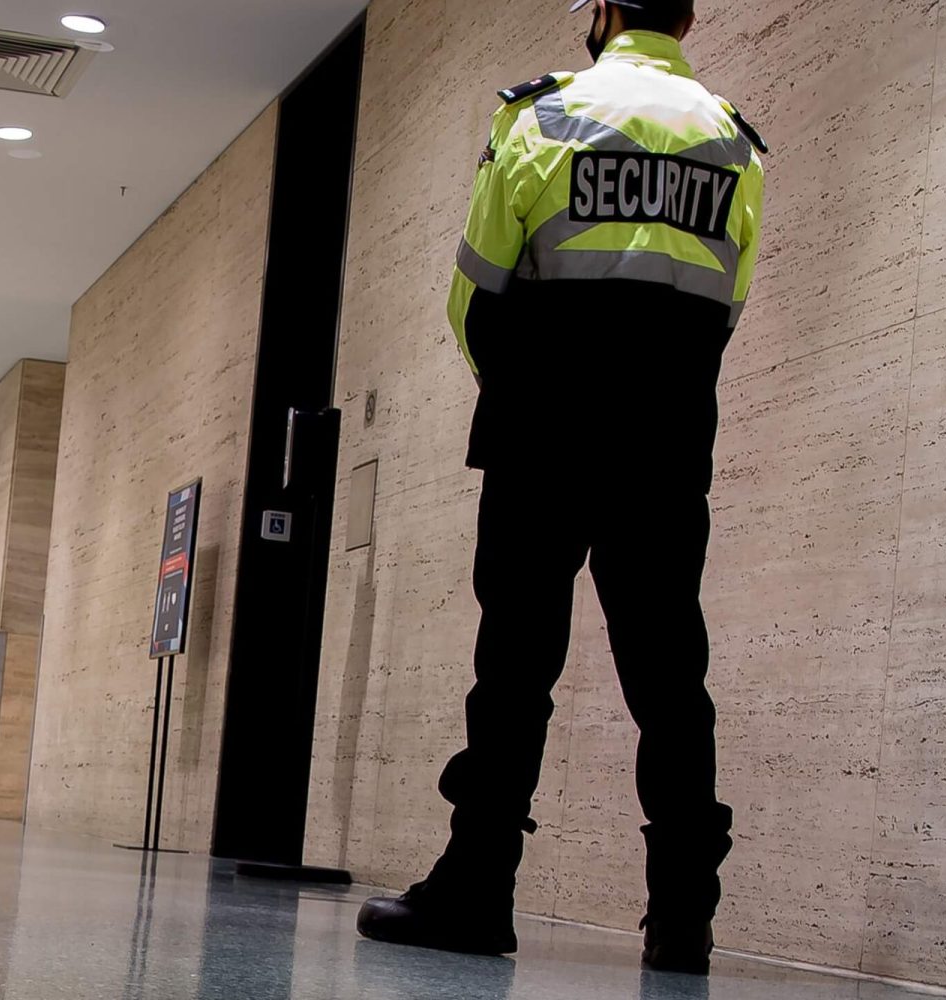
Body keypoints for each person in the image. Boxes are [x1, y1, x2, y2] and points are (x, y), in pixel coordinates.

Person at [356, 0, 766, 976]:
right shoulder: (734, 145)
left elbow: (473, 293)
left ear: (607, 12)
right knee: (671, 676)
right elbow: (726, 302)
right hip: (666, 447)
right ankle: (682, 921)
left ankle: (477, 888)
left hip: (541, 434)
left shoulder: (540, 116)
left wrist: (527, 389)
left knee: (514, 670)